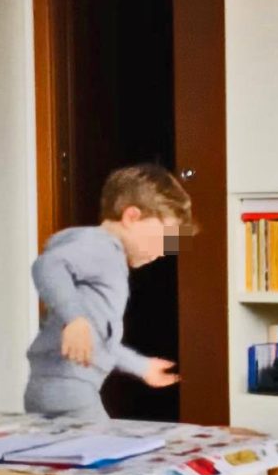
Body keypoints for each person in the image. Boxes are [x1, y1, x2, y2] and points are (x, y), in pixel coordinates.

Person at [25, 164, 194, 421]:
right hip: (68, 386)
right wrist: (75, 319)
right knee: (103, 443)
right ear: (132, 217)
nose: (163, 252)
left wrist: (141, 367)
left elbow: (103, 344)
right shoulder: (102, 247)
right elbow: (48, 265)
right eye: (164, 237)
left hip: (61, 384)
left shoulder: (108, 259)